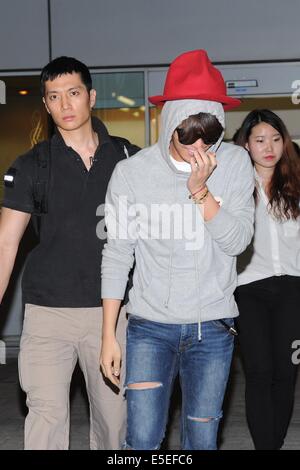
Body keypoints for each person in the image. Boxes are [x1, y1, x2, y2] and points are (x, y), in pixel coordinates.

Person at [100, 49, 255, 450]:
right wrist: (108, 334)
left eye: (209, 133)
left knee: (202, 438)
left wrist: (201, 192)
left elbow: (237, 241)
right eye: (187, 132)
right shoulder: (133, 173)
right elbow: (118, 253)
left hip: (214, 327)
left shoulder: (235, 163)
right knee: (143, 439)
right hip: (150, 326)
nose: (198, 145)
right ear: (169, 122)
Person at [0, 56, 139, 450]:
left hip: (112, 314)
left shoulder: (129, 158)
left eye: (73, 93)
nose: (65, 105)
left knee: (115, 426)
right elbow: (5, 244)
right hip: (48, 314)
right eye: (54, 97)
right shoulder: (31, 166)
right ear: (45, 105)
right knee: (46, 417)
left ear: (91, 97)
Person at [234, 109, 300, 450]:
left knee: (286, 373)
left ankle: (275, 441)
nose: (268, 147)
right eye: (260, 140)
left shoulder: (296, 184)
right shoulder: (235, 185)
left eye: (275, 139)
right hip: (249, 288)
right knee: (259, 372)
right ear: (246, 144)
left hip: (292, 288)